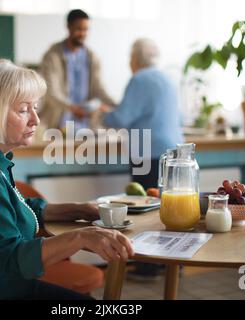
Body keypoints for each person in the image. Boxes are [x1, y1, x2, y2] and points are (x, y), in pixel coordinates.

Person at [0, 59, 134, 300]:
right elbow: (10, 257)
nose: (36, 119)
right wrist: (81, 236)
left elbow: (14, 208)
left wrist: (78, 209)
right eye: (23, 109)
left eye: (35, 107)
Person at [101, 38, 184, 279]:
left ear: (135, 59)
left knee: (144, 209)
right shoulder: (165, 79)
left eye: (130, 58)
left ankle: (148, 267)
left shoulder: (139, 79)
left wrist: (104, 114)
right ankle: (173, 264)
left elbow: (122, 118)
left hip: (147, 150)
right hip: (173, 150)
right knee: (170, 208)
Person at [39, 9, 115, 130]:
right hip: (57, 125)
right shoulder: (52, 56)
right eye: (79, 29)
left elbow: (99, 89)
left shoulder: (92, 57)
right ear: (68, 27)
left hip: (86, 125)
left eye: (86, 29)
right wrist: (72, 108)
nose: (83, 34)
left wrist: (115, 105)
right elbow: (51, 92)